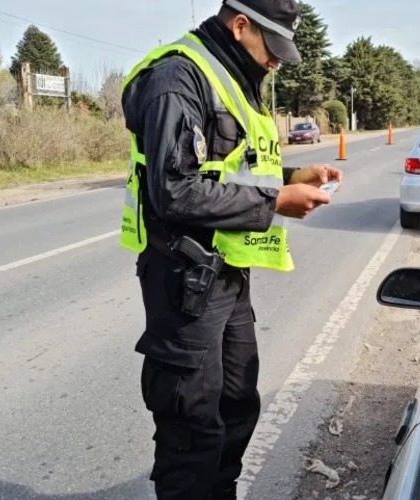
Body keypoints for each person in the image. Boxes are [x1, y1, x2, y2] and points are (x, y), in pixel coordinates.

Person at [119, 0, 343, 498]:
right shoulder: (178, 78)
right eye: (274, 47)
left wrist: (289, 178)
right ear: (240, 26)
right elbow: (173, 190)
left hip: (227, 273)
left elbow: (231, 168)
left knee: (237, 403)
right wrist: (276, 201)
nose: (278, 61)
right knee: (192, 427)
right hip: (184, 279)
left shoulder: (233, 77)